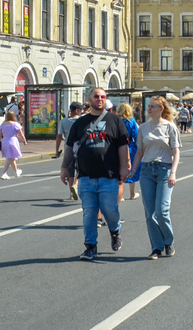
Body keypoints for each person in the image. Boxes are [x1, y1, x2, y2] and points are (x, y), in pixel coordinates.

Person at [61, 87, 130, 260]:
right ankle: (90, 246)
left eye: (103, 97)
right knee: (89, 213)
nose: (100, 99)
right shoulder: (79, 123)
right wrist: (64, 168)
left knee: (110, 210)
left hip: (109, 175)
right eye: (96, 96)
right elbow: (70, 147)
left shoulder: (115, 120)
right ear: (89, 99)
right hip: (86, 176)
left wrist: (124, 167)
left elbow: (123, 146)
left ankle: (115, 231)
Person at [129, 96, 181, 259]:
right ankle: (156, 247)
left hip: (164, 170)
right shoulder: (143, 127)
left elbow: (176, 152)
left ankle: (168, 241)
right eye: (148, 106)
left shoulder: (170, 127)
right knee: (149, 213)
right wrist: (133, 171)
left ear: (162, 109)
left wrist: (173, 173)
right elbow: (139, 152)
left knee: (161, 211)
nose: (149, 109)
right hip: (146, 170)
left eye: (153, 106)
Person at [57, 102, 84, 200]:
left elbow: (59, 136)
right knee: (81, 169)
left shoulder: (63, 121)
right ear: (77, 110)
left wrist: (57, 150)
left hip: (68, 148)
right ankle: (75, 185)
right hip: (80, 148)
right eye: (80, 111)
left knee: (70, 170)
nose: (81, 113)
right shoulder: (81, 120)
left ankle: (71, 194)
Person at [115, 103, 141, 201]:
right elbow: (136, 135)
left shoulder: (116, 121)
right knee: (131, 169)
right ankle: (132, 193)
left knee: (119, 168)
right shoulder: (131, 122)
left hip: (117, 146)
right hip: (129, 146)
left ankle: (119, 194)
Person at [0, 110, 26, 179]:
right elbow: (20, 134)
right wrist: (24, 141)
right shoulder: (15, 124)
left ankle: (16, 171)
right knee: (9, 158)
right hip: (13, 141)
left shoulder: (3, 124)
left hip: (5, 141)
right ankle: (4, 173)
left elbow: (0, 135)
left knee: (12, 157)